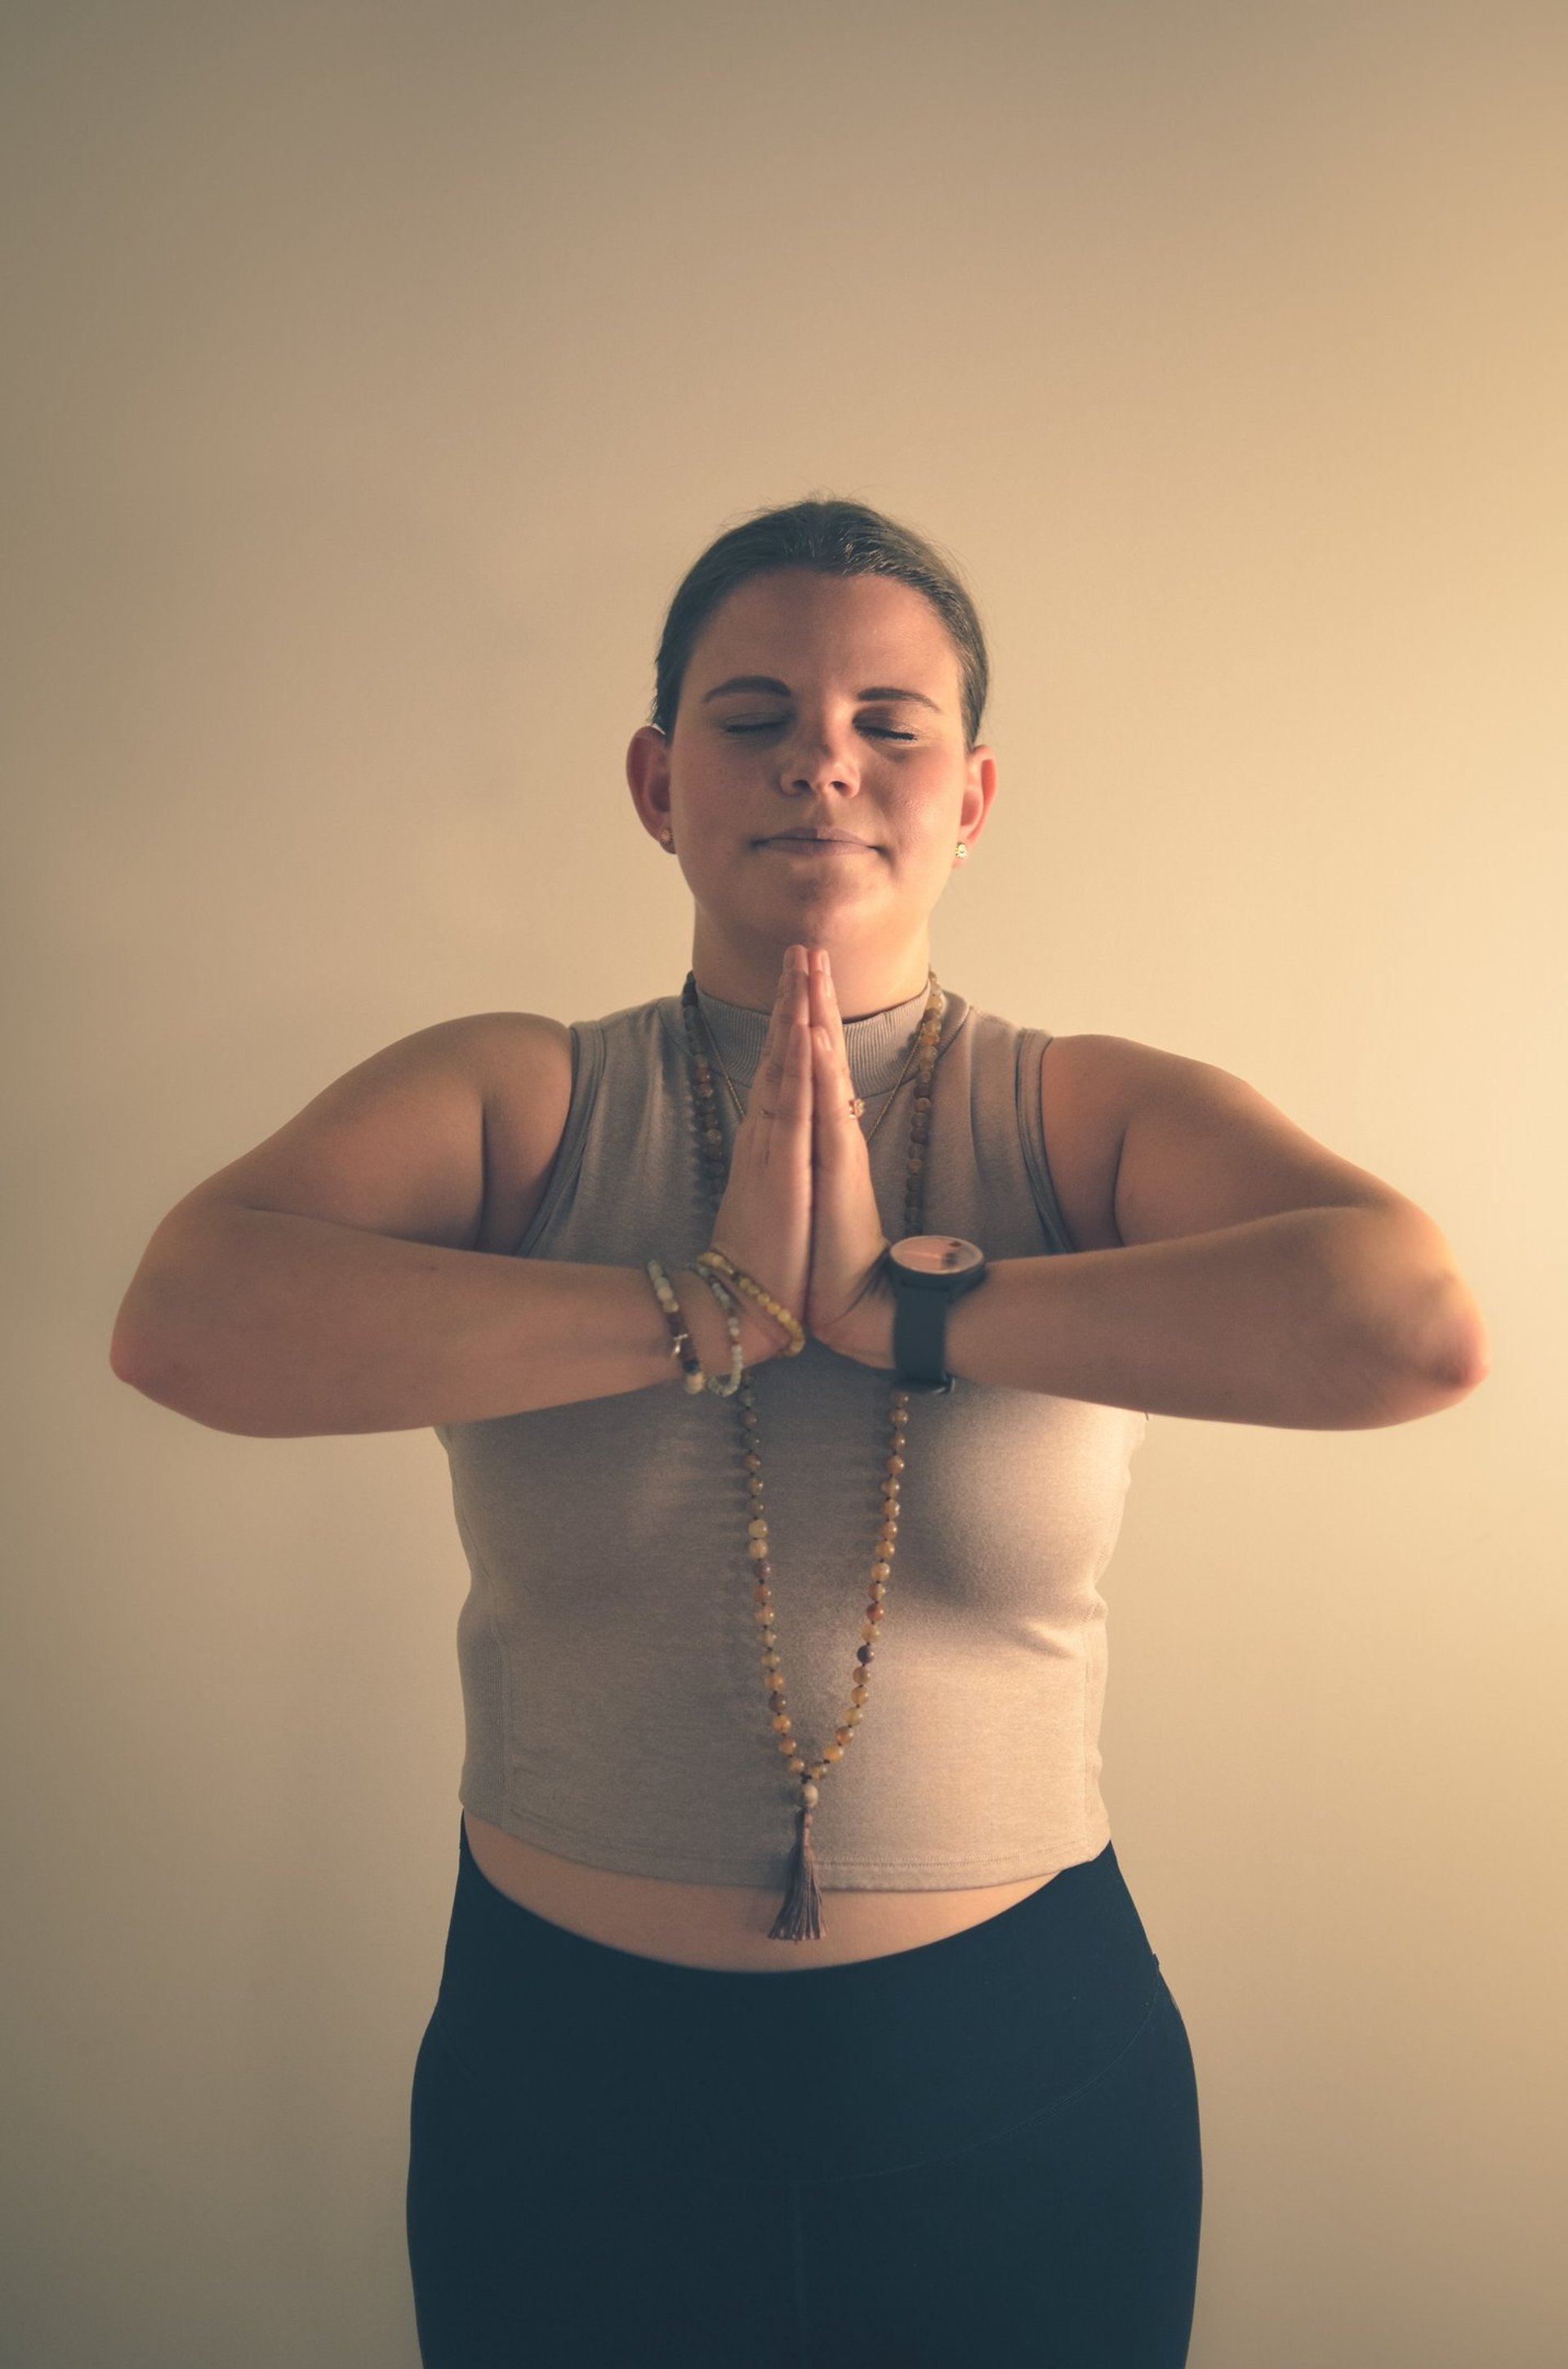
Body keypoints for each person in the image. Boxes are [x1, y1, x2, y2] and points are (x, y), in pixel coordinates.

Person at [110, 495, 1489, 2367]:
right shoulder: (522, 1095)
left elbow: (1409, 1324)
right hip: (568, 2093)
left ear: (973, 795)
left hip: (1018, 2088)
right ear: (657, 780)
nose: (818, 763)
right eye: (752, 716)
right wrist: (706, 1312)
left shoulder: (1072, 1113)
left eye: (888, 723)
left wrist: (909, 1310)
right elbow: (186, 1321)